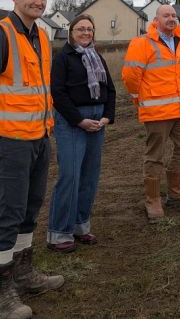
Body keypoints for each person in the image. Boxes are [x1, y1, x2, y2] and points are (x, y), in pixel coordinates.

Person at [0, 0, 64, 319]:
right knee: (9, 212)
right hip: (9, 141)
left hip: (39, 138)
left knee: (30, 207)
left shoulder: (41, 36)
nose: (38, 2)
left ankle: (24, 273)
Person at [122, 4, 180, 221]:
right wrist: (139, 99)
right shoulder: (142, 43)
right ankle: (153, 200)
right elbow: (130, 76)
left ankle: (176, 192)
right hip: (157, 111)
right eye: (166, 15)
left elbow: (178, 75)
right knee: (155, 156)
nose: (171, 18)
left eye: (174, 15)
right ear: (156, 20)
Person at [46, 14, 116, 252]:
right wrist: (79, 120)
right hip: (72, 121)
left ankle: (80, 226)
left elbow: (110, 90)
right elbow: (57, 93)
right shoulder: (63, 58)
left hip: (97, 121)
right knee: (70, 175)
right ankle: (59, 232)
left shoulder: (97, 57)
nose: (86, 33)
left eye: (90, 29)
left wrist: (107, 116)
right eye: (81, 29)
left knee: (89, 176)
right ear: (71, 32)